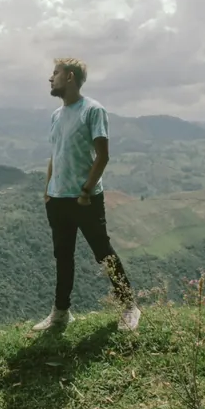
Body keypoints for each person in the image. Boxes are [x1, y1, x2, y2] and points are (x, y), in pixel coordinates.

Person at [33, 57, 141, 332]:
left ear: (69, 77)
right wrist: (47, 191)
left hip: (85, 199)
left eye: (55, 73)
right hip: (57, 199)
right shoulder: (56, 116)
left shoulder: (93, 110)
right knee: (63, 256)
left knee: (103, 253)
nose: (50, 78)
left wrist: (85, 191)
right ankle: (61, 313)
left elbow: (103, 156)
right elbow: (54, 155)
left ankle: (130, 306)